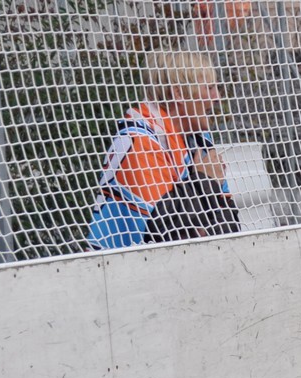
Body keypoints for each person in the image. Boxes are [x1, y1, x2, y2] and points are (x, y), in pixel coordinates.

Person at [88, 50, 235, 249]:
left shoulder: (199, 141)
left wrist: (204, 184)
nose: (217, 97)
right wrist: (205, 181)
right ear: (179, 94)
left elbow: (230, 228)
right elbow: (163, 235)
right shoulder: (139, 141)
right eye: (209, 88)